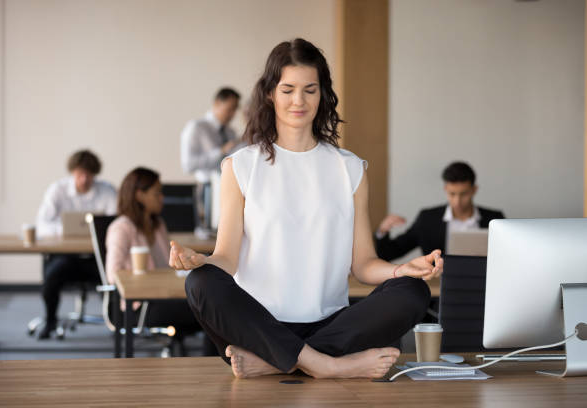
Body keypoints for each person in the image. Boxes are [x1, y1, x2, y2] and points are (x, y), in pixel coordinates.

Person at [169, 38, 443, 379]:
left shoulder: (350, 168)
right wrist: (201, 261)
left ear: (323, 94)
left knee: (413, 291)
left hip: (328, 325)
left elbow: (363, 265)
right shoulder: (240, 166)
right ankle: (327, 366)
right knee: (200, 283)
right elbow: (226, 258)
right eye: (288, 90)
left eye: (310, 90)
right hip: (259, 325)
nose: (298, 100)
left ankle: (280, 362)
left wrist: (402, 270)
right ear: (270, 93)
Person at [105, 167, 199, 345]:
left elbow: (167, 265)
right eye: (157, 193)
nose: (162, 198)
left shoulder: (158, 224)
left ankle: (209, 360)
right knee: (206, 309)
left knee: (209, 304)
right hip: (140, 306)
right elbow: (113, 275)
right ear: (140, 195)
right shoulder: (121, 228)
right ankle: (209, 361)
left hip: (164, 295)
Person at [35, 149, 117, 339]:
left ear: (95, 174)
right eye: (80, 174)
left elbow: (117, 224)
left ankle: (116, 324)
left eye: (89, 174)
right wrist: (64, 231)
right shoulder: (57, 190)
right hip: (66, 257)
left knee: (115, 277)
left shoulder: (107, 191)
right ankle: (50, 321)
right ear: (72, 172)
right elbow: (42, 224)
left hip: (97, 258)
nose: (84, 179)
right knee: (51, 278)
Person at [374, 162, 505, 261]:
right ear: (445, 189)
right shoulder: (427, 219)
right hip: (438, 287)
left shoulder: (494, 219)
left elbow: (507, 256)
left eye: (463, 194)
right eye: (452, 194)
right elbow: (389, 254)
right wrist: (382, 231)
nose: (457, 201)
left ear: (474, 190)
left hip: (484, 285)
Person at [180, 87, 242, 233]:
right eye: (230, 108)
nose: (232, 114)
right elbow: (188, 165)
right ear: (217, 103)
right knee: (209, 236)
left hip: (230, 189)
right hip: (206, 190)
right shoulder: (196, 127)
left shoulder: (230, 132)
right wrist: (221, 151)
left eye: (235, 110)